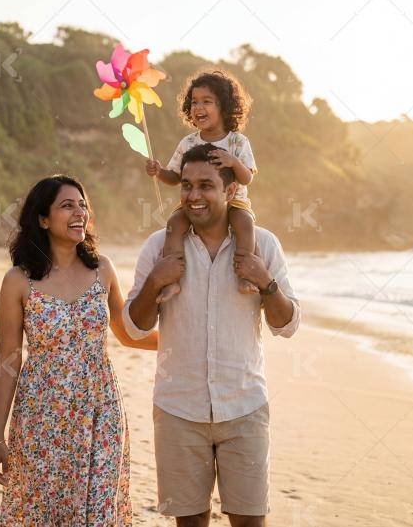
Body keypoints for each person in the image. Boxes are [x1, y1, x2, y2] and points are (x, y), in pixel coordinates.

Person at [125, 144, 302, 527]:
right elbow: (135, 327)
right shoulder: (159, 247)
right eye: (187, 185)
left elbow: (287, 325)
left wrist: (265, 282)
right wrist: (155, 282)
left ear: (230, 190)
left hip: (244, 408)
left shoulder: (262, 245)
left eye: (206, 185)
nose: (193, 195)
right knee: (189, 522)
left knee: (250, 521)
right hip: (177, 409)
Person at [0, 175, 157, 526]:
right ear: (42, 219)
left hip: (101, 412)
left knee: (98, 511)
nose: (79, 212)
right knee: (40, 511)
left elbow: (127, 334)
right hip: (41, 416)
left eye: (83, 205)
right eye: (67, 206)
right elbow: (9, 360)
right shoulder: (18, 280)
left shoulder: (102, 270)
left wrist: (184, 341)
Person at [146, 70, 258, 303]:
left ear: (224, 107)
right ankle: (172, 280)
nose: (198, 107)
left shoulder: (238, 141)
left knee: (245, 224)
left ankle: (245, 275)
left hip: (234, 202)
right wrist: (159, 172)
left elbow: (246, 178)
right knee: (174, 223)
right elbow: (175, 177)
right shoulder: (188, 142)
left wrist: (233, 162)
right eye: (194, 102)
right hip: (195, 203)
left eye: (207, 101)